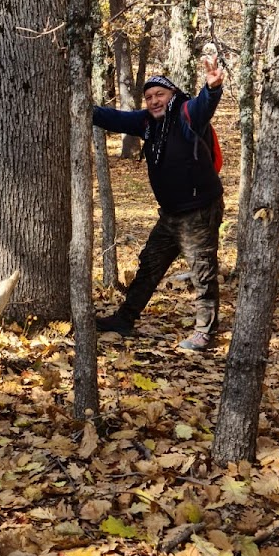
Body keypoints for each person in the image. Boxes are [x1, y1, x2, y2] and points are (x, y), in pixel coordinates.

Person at [93, 53, 225, 351]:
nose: (154, 101)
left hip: (199, 211)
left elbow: (205, 104)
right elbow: (113, 118)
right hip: (170, 214)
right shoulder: (147, 123)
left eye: (160, 95)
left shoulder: (187, 113)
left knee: (202, 271)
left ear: (172, 95)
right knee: (149, 264)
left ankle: (205, 332)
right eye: (149, 96)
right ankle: (124, 319)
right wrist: (82, 107)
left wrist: (212, 86)